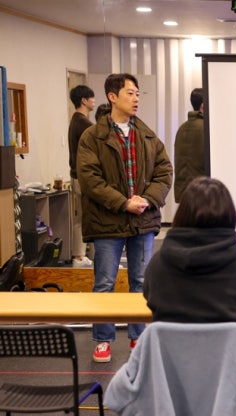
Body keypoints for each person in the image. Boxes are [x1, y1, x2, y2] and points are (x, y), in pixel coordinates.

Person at [77, 73, 173, 363]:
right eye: (130, 93)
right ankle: (103, 340)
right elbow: (90, 179)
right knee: (104, 282)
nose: (136, 99)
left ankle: (137, 338)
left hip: (142, 220)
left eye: (138, 94)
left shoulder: (147, 135)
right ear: (112, 97)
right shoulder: (92, 137)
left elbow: (164, 172)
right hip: (107, 222)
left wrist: (147, 199)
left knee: (140, 282)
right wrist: (123, 203)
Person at [143, 176, 236, 331]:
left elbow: (150, 299)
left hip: (173, 348)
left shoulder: (158, 266)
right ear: (230, 215)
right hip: (234, 347)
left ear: (181, 214)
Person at [68, 84, 96, 267]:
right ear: (84, 101)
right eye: (92, 98)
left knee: (82, 217)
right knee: (87, 216)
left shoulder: (75, 120)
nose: (94, 100)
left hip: (76, 174)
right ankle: (79, 257)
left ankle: (82, 256)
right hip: (83, 176)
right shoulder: (84, 124)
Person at [173, 88, 205, 203]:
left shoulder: (182, 128)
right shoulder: (206, 128)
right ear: (203, 106)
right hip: (202, 192)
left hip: (184, 192)